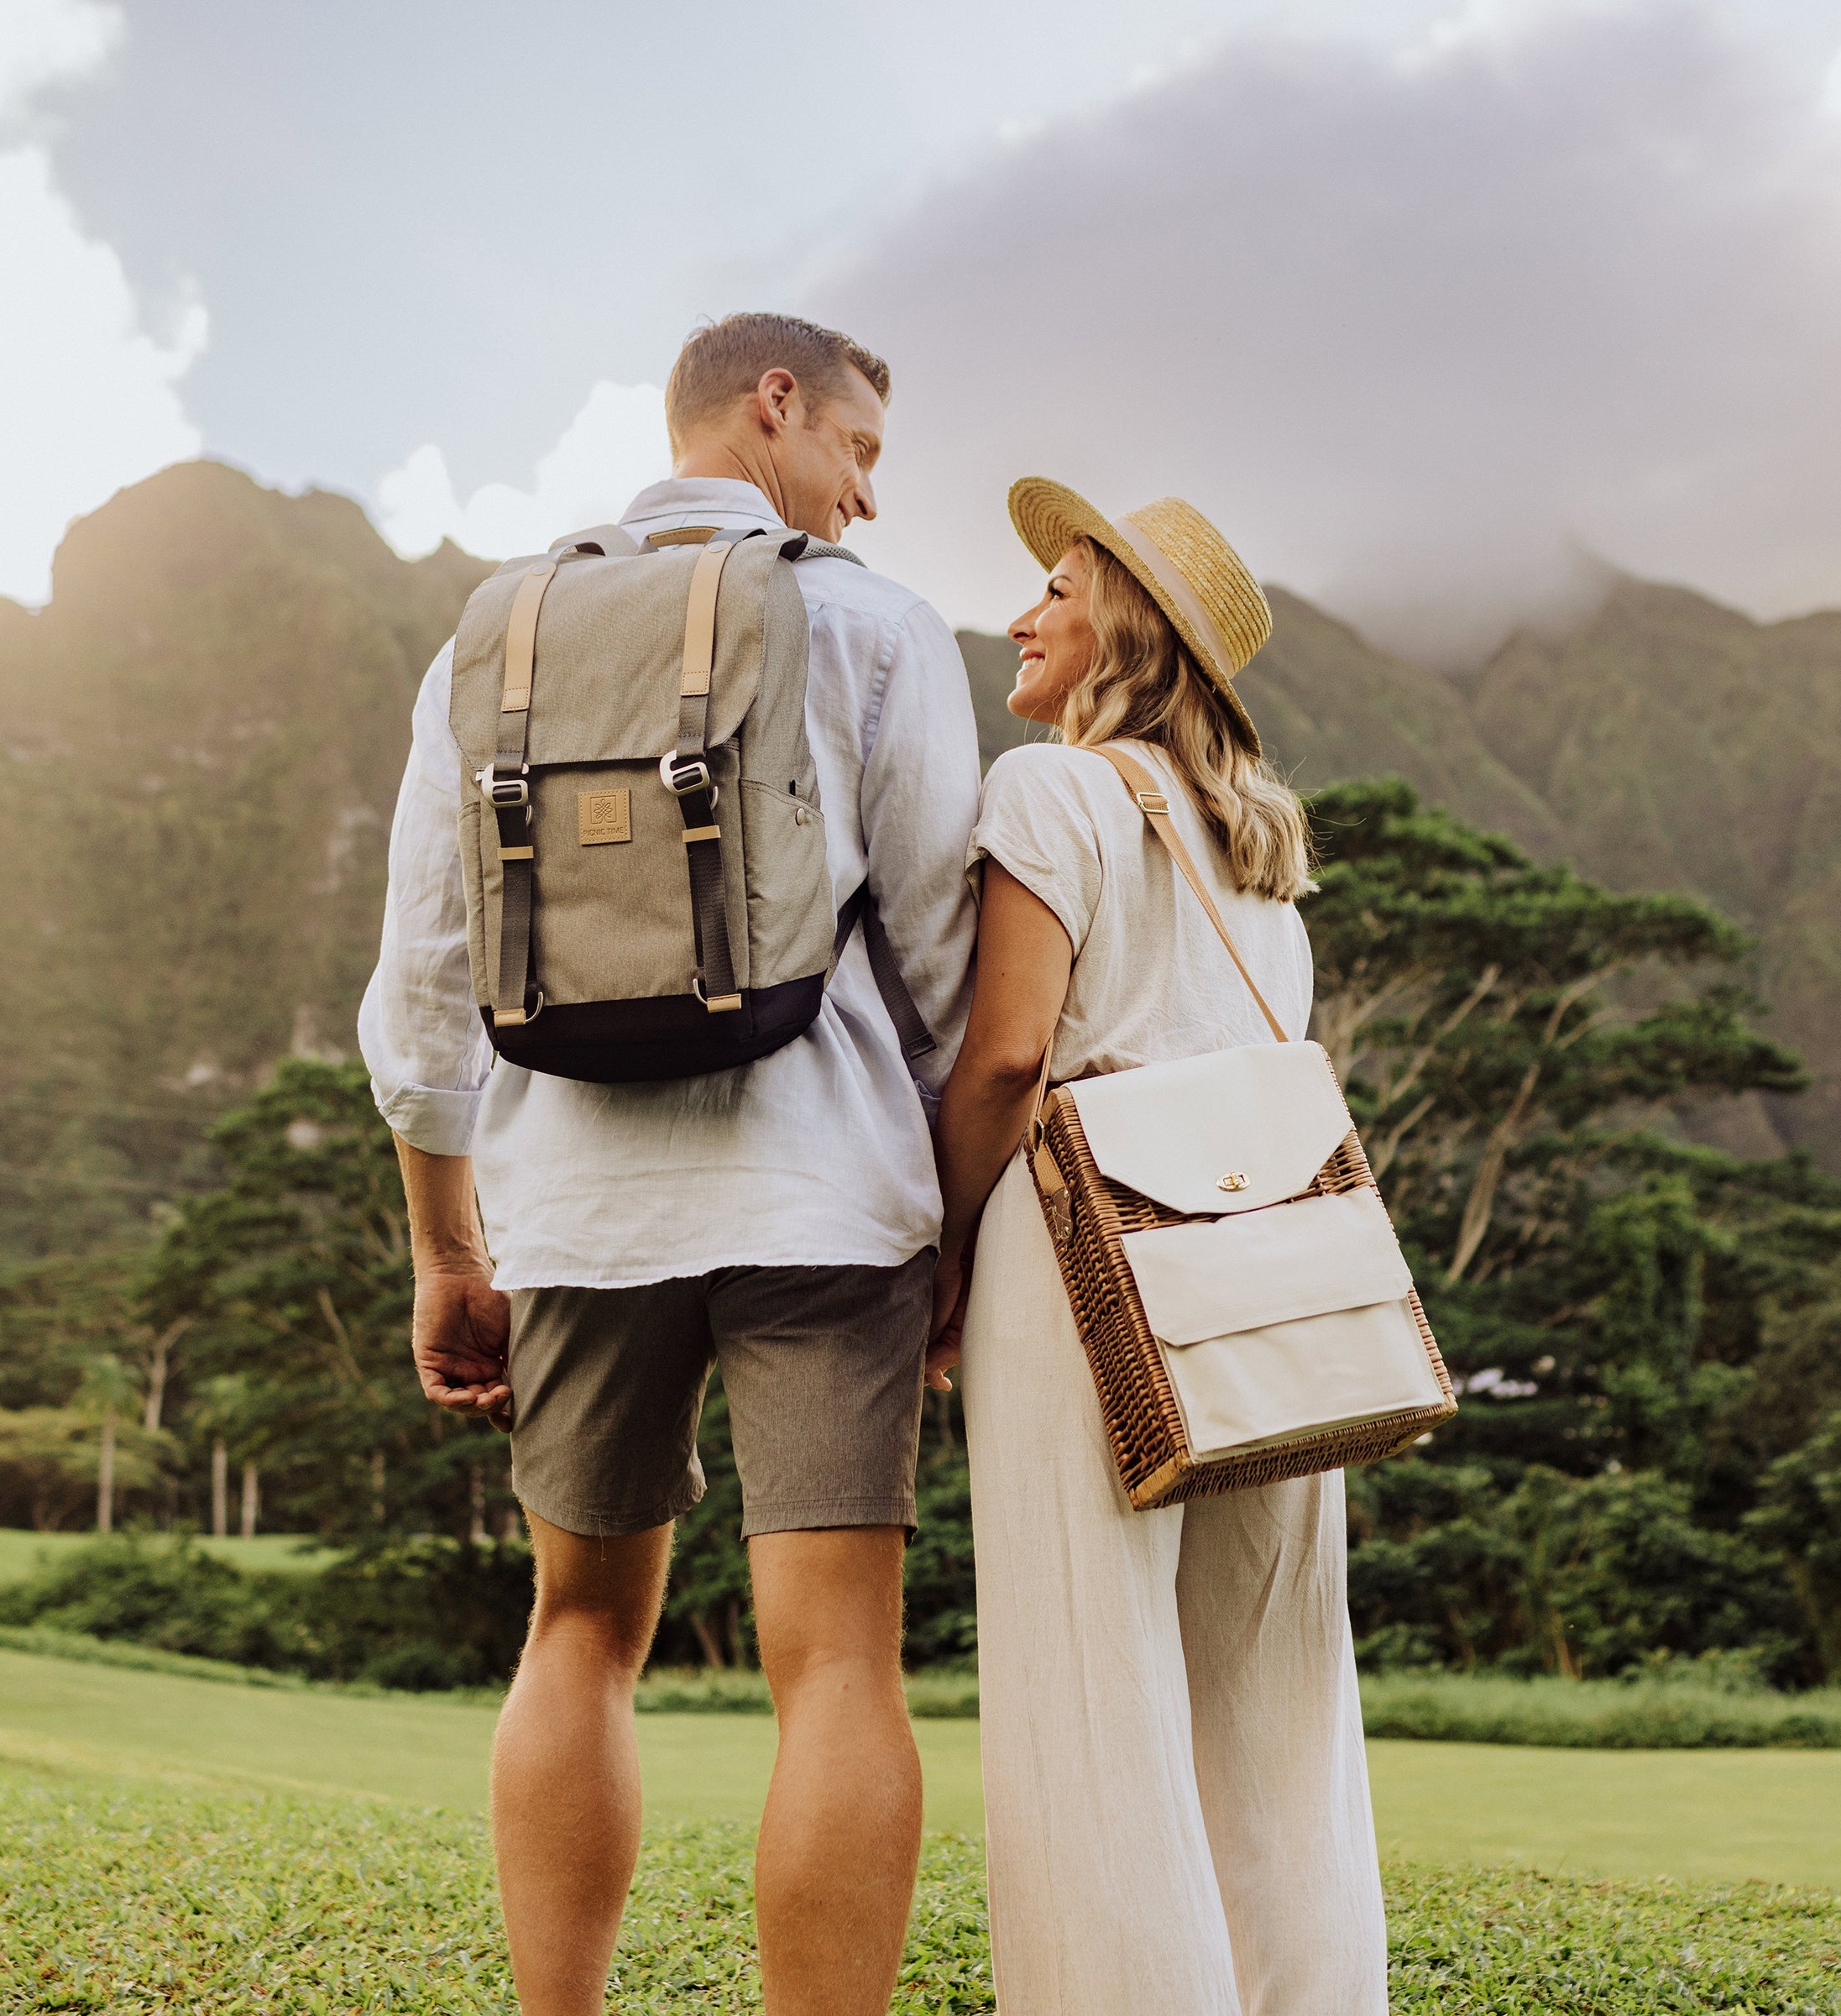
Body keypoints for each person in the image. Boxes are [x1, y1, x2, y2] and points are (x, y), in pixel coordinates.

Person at [360, 312, 981, 2016]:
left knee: (579, 1631)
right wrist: (959, 1236)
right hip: (828, 1201)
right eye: (859, 448)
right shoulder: (876, 625)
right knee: (837, 1660)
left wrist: (446, 1250)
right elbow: (940, 965)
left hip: (576, 1209)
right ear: (775, 406)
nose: (863, 497)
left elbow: (425, 989)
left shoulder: (493, 636)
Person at [926, 479, 1389, 2012]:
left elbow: (1005, 1058)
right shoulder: (1268, 860)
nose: (1021, 615)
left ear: (1124, 625)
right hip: (1264, 1287)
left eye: (1055, 588)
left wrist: (936, 1264)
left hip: (1081, 1269)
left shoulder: (1052, 796)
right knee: (1278, 1699)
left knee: (1092, 1685)